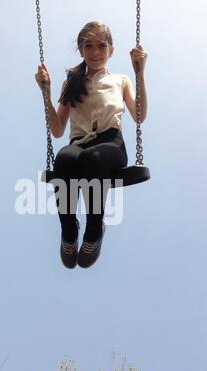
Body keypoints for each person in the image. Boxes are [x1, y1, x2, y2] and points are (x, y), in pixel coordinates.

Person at [35, 21, 148, 269]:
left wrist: (139, 72)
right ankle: (69, 231)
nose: (95, 52)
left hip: (110, 145)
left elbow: (138, 115)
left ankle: (94, 231)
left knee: (93, 159)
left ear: (111, 50)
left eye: (101, 45)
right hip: (78, 144)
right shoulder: (72, 83)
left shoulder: (121, 80)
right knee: (64, 158)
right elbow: (57, 130)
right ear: (81, 49)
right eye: (88, 46)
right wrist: (46, 92)